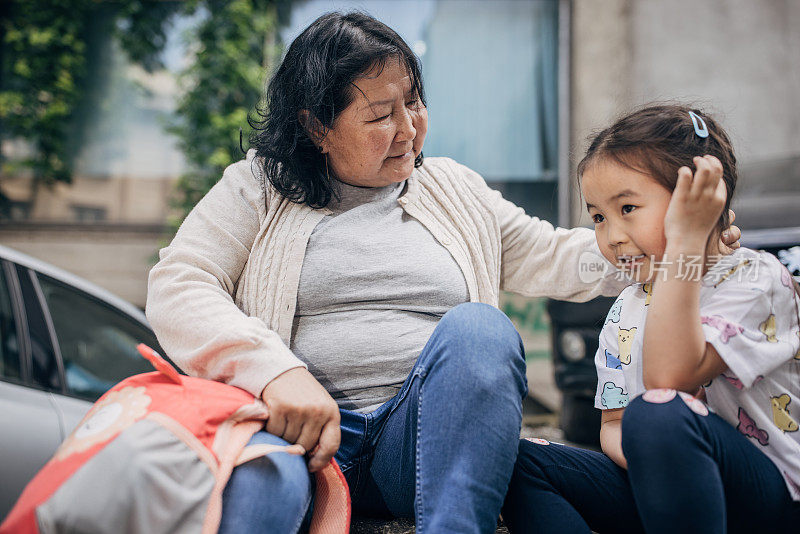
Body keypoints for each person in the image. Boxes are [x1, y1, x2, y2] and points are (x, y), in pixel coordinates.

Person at [146, 11, 741, 532]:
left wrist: (680, 243)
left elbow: (562, 255)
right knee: (254, 487)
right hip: (300, 435)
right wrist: (274, 373)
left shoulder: (453, 188)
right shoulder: (256, 188)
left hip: (425, 443)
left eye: (414, 103)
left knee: (480, 329)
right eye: (381, 114)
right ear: (315, 126)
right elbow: (179, 284)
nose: (408, 128)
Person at [501, 104, 800, 534]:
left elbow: (668, 378)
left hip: (766, 496)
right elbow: (615, 423)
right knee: (515, 461)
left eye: (627, 209)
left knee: (658, 411)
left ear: (698, 200)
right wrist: (655, 455)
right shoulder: (628, 305)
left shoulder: (753, 280)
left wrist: (685, 242)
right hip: (667, 489)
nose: (611, 236)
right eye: (599, 217)